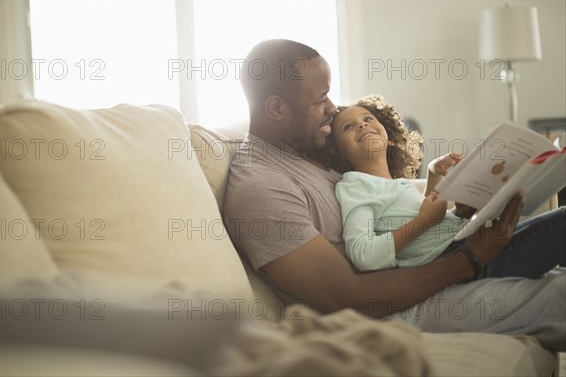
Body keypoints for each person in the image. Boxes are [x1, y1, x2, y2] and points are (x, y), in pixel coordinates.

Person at [223, 39, 565, 350]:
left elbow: (387, 204)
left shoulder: (311, 151)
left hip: (426, 271)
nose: (332, 107)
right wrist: (470, 259)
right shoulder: (260, 186)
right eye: (319, 99)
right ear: (276, 109)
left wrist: (458, 210)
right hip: (392, 312)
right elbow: (347, 297)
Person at [324, 95, 566, 276]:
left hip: (465, 238)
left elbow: (426, 221)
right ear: (337, 152)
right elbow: (363, 254)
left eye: (368, 119)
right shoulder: (355, 186)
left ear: (389, 138)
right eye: (348, 127)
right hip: (458, 258)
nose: (362, 125)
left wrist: (434, 176)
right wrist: (422, 222)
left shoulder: (397, 184)